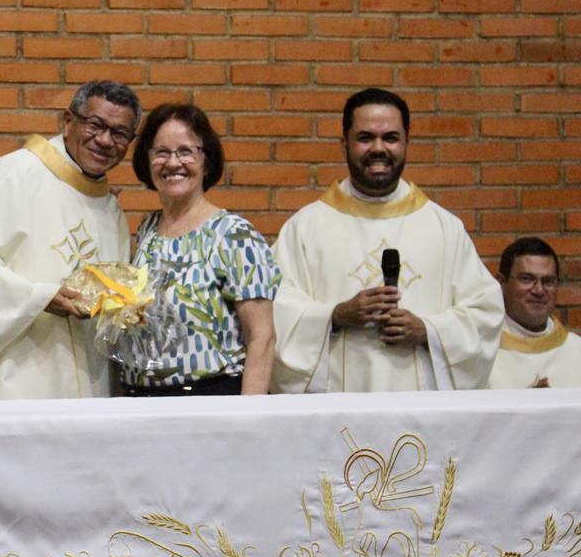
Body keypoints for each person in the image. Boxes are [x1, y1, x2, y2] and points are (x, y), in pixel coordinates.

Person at [0, 80, 141, 400]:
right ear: (68, 121)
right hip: (17, 372)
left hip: (88, 380)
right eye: (95, 125)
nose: (105, 140)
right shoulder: (13, 175)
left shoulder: (109, 209)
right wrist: (38, 298)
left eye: (119, 133)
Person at [271, 88, 504, 393]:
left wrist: (428, 330)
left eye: (391, 138)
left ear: (407, 142)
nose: (378, 148)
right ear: (344, 144)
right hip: (338, 406)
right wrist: (336, 316)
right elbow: (274, 315)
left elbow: (485, 313)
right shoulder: (305, 227)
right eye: (365, 138)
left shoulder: (444, 227)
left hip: (421, 408)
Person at [122, 103, 280, 396]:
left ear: (206, 162)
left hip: (210, 399)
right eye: (161, 152)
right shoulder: (148, 230)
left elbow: (262, 339)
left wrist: (248, 416)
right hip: (142, 398)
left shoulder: (234, 235)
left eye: (186, 151)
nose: (173, 163)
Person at [488, 237, 580, 388]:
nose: (539, 290)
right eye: (526, 279)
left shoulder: (576, 350)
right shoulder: (481, 349)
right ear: (502, 283)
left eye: (548, 281)